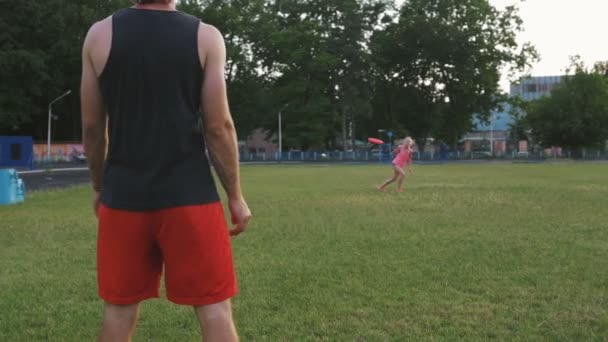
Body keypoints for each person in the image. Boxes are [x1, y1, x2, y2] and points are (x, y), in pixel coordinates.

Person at [80, 0, 251, 341]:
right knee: (215, 307)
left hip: (123, 197)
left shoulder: (99, 35)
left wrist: (100, 186)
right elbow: (219, 127)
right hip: (191, 198)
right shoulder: (206, 36)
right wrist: (235, 196)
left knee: (118, 311)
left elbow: (92, 126)